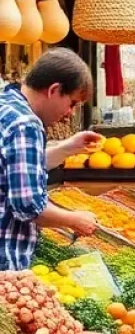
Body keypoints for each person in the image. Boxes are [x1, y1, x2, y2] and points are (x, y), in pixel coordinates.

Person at [0, 49, 101, 269]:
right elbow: (27, 206)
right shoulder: (26, 124)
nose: (70, 113)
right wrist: (73, 219)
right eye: (72, 103)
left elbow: (17, 168)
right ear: (54, 90)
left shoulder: (6, 105)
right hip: (5, 257)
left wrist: (67, 148)